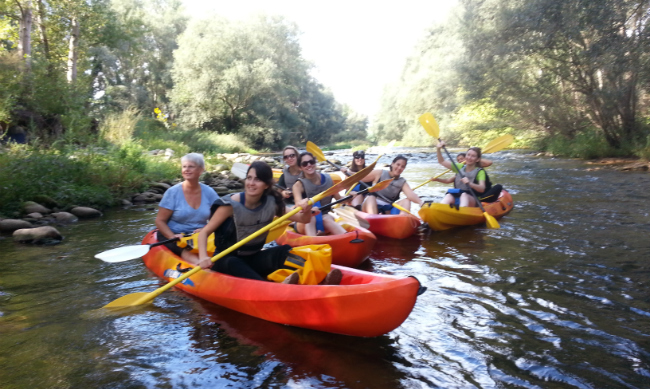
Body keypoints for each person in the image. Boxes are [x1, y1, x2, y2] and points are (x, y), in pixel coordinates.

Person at [196, 161, 342, 285]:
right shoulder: (230, 206)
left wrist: (307, 207)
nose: (251, 183)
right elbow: (204, 232)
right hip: (225, 259)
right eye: (249, 178)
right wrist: (203, 257)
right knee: (232, 262)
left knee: (283, 251)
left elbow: (303, 219)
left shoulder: (272, 203)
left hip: (252, 257)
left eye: (257, 180)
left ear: (266, 185)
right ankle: (270, 286)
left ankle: (320, 279)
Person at [155, 153, 219, 265]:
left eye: (191, 166)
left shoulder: (209, 192)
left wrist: (206, 228)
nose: (186, 170)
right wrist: (172, 236)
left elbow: (219, 217)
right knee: (183, 247)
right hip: (174, 235)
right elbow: (160, 221)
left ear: (200, 170)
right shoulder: (172, 192)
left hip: (198, 236)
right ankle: (200, 265)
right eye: (184, 166)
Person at [292, 152, 347, 236]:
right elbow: (298, 205)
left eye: (311, 162)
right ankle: (314, 244)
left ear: (315, 162)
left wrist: (349, 197)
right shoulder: (298, 185)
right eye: (305, 164)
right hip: (305, 220)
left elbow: (339, 199)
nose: (309, 165)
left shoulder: (329, 179)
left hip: (324, 218)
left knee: (327, 218)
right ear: (300, 167)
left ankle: (349, 238)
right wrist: (307, 209)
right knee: (311, 218)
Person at [434, 141, 489, 208]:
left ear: (477, 160)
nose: (469, 158)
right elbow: (442, 161)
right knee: (449, 195)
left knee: (464, 195)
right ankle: (440, 209)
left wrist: (470, 184)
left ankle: (463, 211)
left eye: (473, 156)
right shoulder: (459, 167)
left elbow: (482, 188)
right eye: (468, 155)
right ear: (465, 156)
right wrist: (438, 149)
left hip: (472, 199)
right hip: (458, 195)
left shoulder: (480, 171)